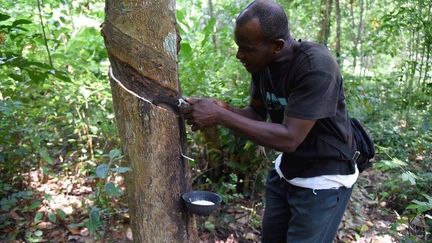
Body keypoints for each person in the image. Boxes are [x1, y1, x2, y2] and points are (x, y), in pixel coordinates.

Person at [182, 0, 358, 242]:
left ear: (277, 46)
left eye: (246, 48)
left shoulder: (316, 66)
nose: (238, 55)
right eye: (238, 46)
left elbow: (290, 138)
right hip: (286, 172)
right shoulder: (261, 65)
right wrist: (221, 108)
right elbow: (256, 115)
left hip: (324, 180)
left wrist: (220, 115)